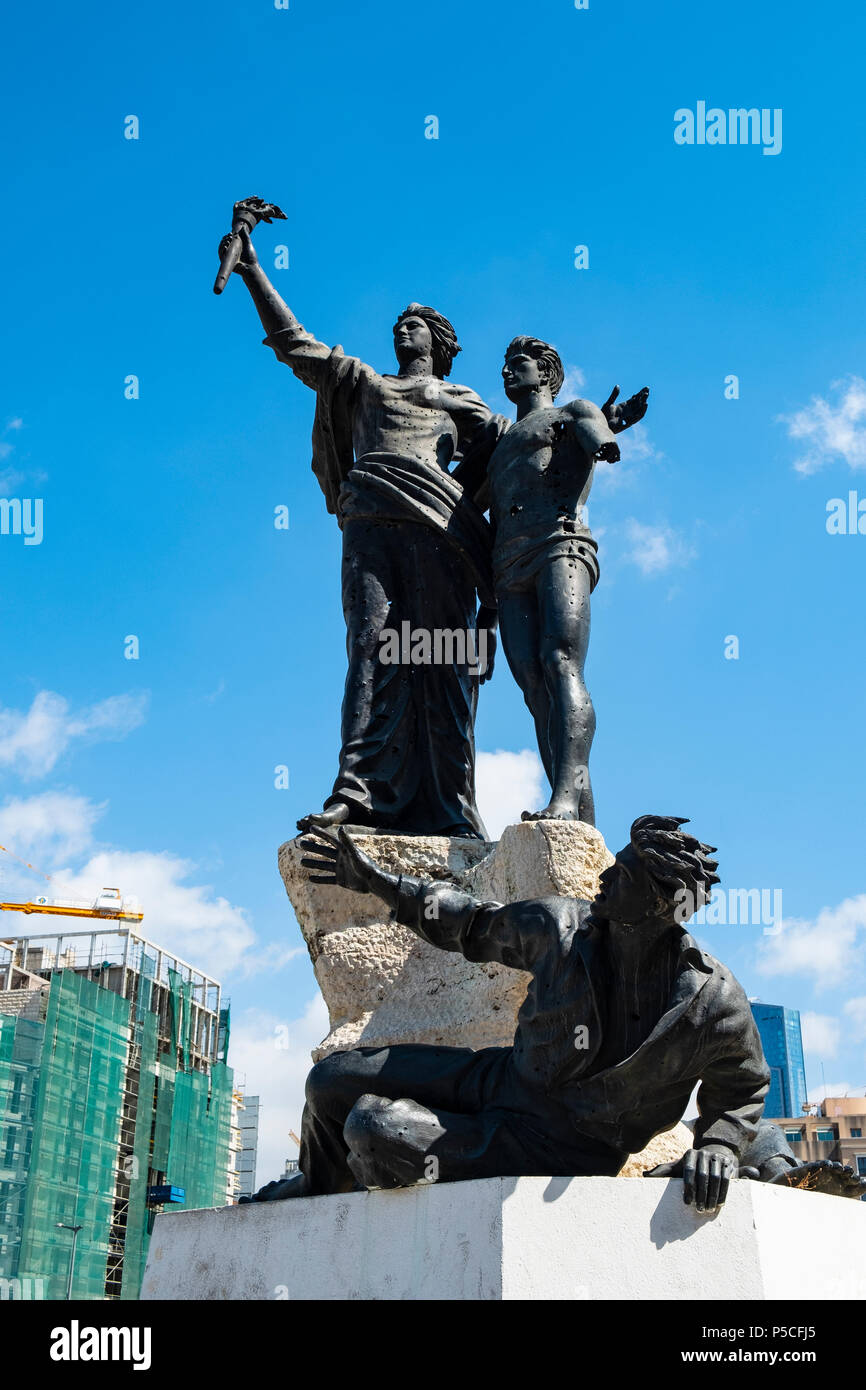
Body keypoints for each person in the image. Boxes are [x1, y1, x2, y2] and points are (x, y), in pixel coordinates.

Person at [242, 815, 864, 1211]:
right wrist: (374, 880)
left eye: (619, 875)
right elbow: (469, 924)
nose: (602, 879)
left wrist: (723, 1147)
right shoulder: (561, 927)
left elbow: (744, 1086)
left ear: (656, 907)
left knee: (377, 1131)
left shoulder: (711, 1001)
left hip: (559, 1145)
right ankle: (318, 1186)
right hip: (501, 1079)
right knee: (331, 1080)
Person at [220, 225, 506, 837]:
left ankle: (451, 804)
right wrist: (250, 269)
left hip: (442, 532)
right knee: (372, 650)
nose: (402, 329)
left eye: (416, 324)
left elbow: (508, 470)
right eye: (399, 324)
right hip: (371, 519)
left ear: (440, 341)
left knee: (442, 659)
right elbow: (295, 346)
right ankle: (357, 794)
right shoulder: (363, 382)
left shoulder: (463, 400)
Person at [486, 336, 648, 824]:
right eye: (505, 366)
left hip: (560, 545)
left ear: (547, 373)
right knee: (535, 689)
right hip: (507, 568)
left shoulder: (572, 412)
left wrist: (605, 432)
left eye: (519, 364)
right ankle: (582, 818)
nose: (508, 373)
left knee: (560, 663)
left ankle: (564, 799)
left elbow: (596, 436)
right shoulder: (499, 446)